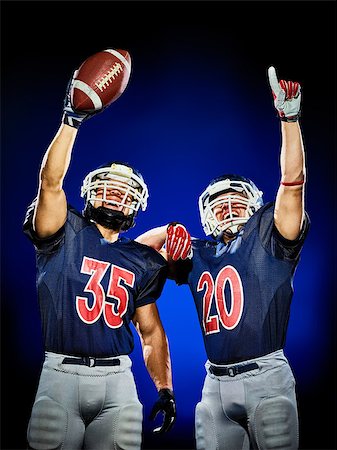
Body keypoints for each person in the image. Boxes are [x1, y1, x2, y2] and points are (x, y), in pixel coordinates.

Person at [136, 66, 310, 450]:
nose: (229, 208)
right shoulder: (197, 251)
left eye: (236, 201)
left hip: (267, 375)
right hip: (214, 381)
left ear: (254, 206)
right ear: (206, 214)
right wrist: (168, 231)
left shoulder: (269, 236)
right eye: (221, 203)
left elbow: (292, 183)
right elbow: (132, 257)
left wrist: (290, 120)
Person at [23, 67, 176, 450]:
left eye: (123, 193)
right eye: (106, 189)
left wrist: (166, 389)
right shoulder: (64, 229)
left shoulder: (141, 259)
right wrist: (71, 121)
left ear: (135, 205)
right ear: (91, 195)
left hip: (117, 380)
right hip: (60, 372)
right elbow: (50, 183)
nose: (113, 197)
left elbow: (151, 332)